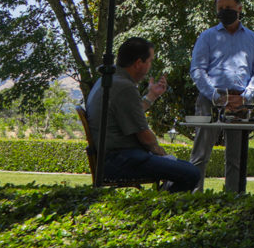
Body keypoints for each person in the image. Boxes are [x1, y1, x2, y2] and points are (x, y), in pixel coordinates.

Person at [86, 37, 202, 192]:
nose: (150, 66)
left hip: (110, 159)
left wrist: (151, 96)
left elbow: (131, 113)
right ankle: (161, 209)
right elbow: (144, 136)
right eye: (150, 61)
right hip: (121, 160)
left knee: (184, 168)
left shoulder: (109, 80)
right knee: (191, 173)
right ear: (138, 63)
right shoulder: (124, 87)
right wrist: (162, 154)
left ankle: (160, 200)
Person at [189, 0, 254, 189]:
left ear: (239, 9)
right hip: (210, 99)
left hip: (240, 101)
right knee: (200, 154)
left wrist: (247, 95)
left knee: (235, 157)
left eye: (228, 8)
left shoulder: (253, 39)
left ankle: (233, 199)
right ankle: (194, 198)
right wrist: (216, 96)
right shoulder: (207, 37)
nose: (224, 12)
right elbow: (197, 69)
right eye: (220, 9)